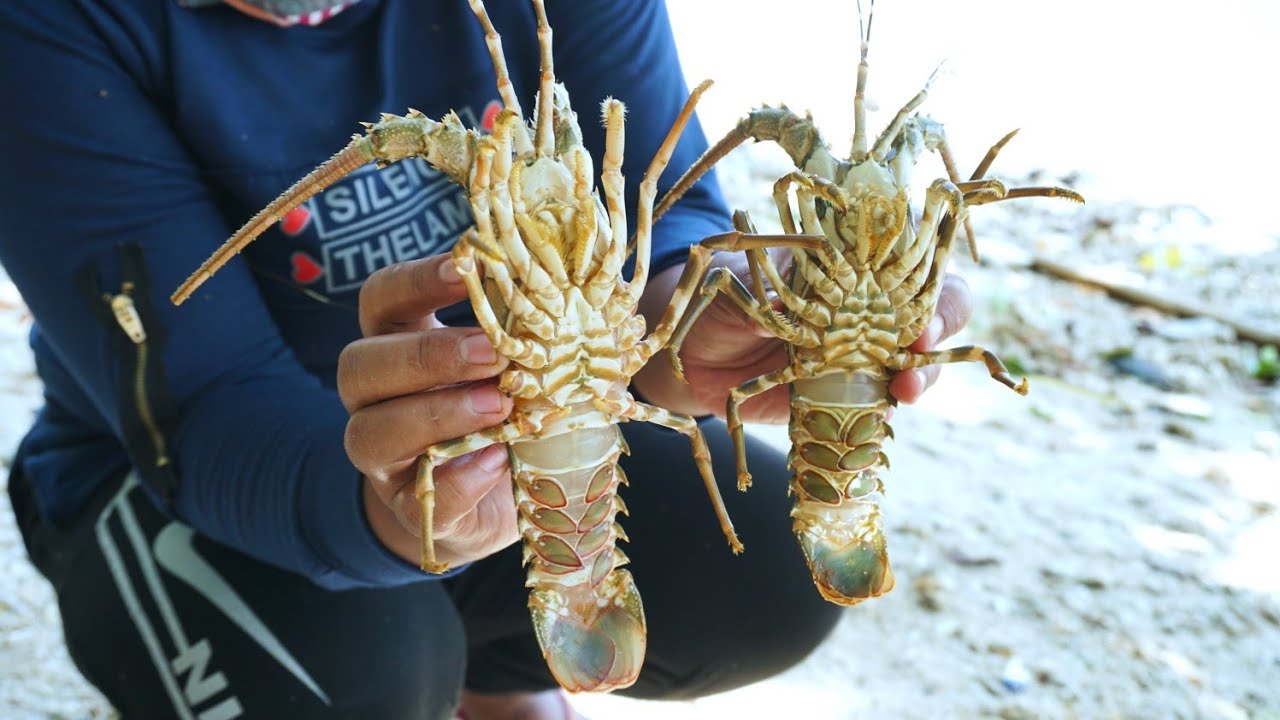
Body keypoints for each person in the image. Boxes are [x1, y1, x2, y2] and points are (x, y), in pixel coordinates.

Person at [0, 0, 972, 718]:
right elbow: (206, 408)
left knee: (762, 578)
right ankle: (425, 644)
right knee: (364, 682)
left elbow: (665, 227)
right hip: (182, 472)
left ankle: (489, 663)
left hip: (510, 457)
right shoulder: (45, 30)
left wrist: (686, 330)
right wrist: (385, 517)